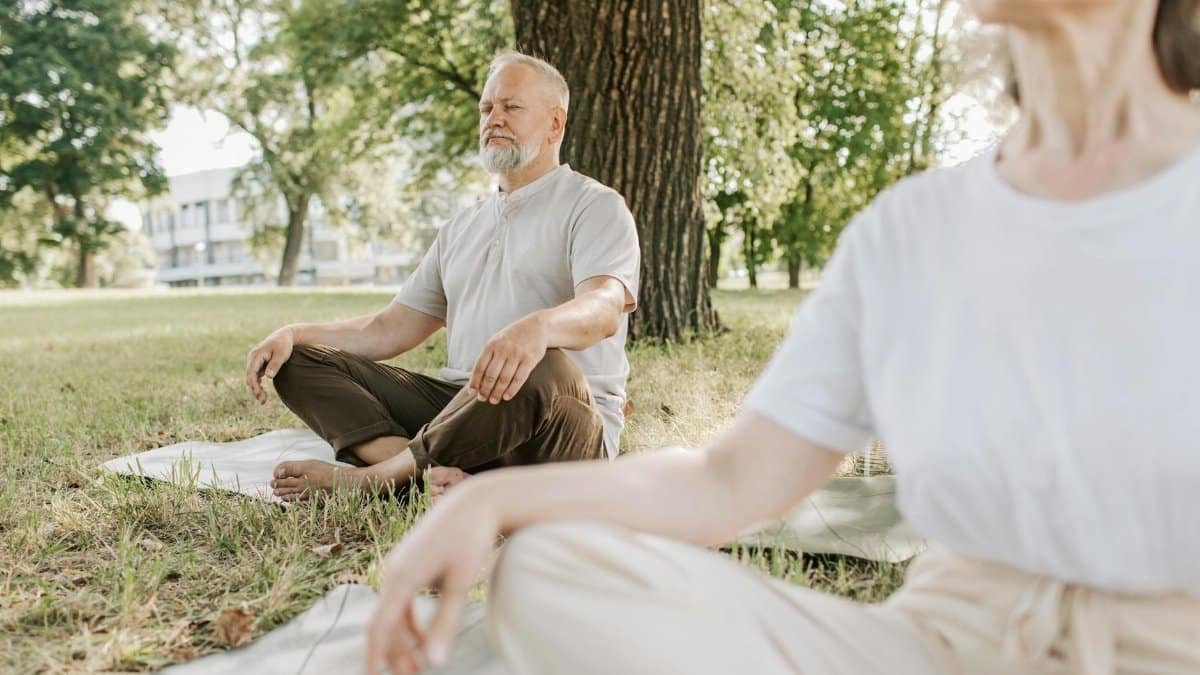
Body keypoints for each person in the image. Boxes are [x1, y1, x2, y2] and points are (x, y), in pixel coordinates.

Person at [366, 1, 1200, 673]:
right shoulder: (911, 228)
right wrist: (492, 499)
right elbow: (730, 479)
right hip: (943, 638)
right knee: (549, 571)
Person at [243, 52, 640, 502]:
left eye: (511, 107)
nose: (494, 119)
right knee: (301, 358)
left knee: (542, 361)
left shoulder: (594, 205)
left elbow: (605, 306)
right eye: (486, 109)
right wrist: (293, 333)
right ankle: (428, 478)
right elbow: (388, 328)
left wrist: (538, 328)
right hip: (461, 414)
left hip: (557, 431)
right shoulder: (461, 227)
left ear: (554, 124)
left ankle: (379, 478)